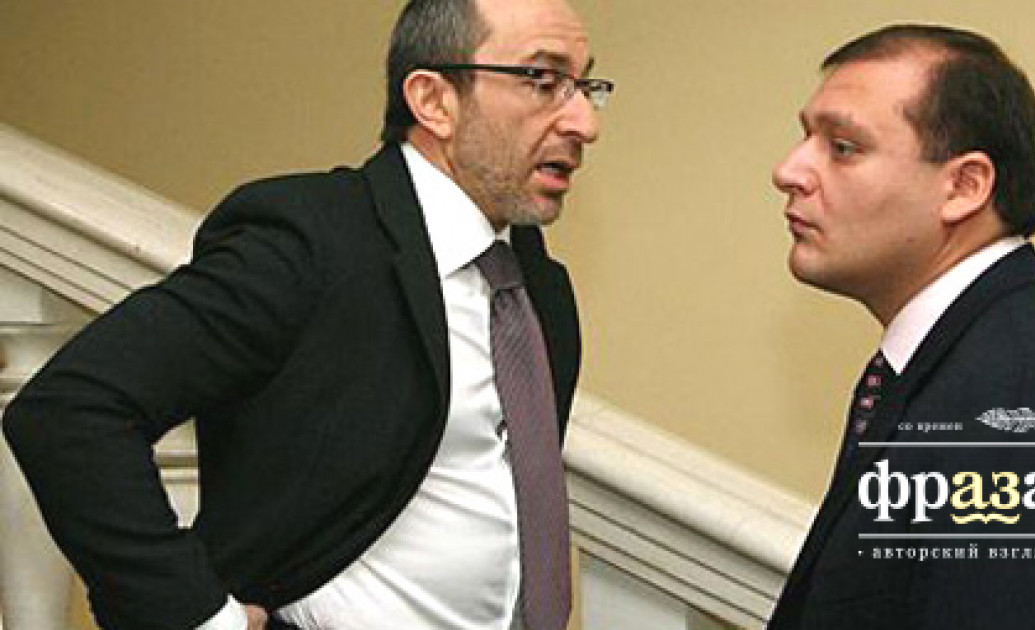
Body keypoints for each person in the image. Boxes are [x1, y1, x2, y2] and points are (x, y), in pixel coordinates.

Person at [2, 0, 613, 628]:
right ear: (433, 101)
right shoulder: (309, 242)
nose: (585, 122)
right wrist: (195, 616)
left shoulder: (537, 290)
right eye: (543, 80)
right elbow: (71, 410)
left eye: (586, 86)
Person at [767, 24, 1035, 629]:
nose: (789, 170)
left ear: (964, 187)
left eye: (843, 147)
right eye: (805, 137)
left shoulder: (1031, 409)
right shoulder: (976, 357)